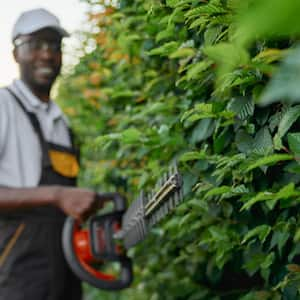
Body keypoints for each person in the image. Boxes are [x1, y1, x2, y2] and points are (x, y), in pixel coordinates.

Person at [0, 8, 100, 299]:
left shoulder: (61, 121)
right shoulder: (4, 107)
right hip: (18, 275)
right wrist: (56, 195)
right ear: (16, 53)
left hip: (67, 272)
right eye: (35, 44)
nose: (46, 54)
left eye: (54, 46)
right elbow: (60, 195)